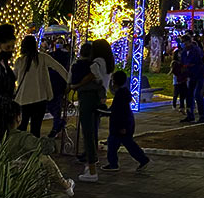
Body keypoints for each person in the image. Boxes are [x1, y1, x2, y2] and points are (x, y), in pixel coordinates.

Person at [0, 99, 75, 198]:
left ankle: (65, 186)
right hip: (19, 178)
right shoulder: (21, 137)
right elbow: (45, 148)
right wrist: (54, 133)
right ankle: (65, 185)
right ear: (18, 117)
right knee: (43, 158)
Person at [13, 35, 69, 137]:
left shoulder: (20, 61)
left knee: (23, 125)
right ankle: (34, 149)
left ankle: (21, 148)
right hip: (40, 98)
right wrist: (69, 81)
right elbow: (59, 68)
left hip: (24, 99)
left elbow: (13, 78)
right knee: (36, 128)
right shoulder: (42, 57)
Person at [99, 70, 150, 172]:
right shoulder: (123, 94)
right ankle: (141, 159)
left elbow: (119, 112)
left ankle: (114, 164)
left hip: (120, 125)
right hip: (124, 124)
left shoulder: (120, 96)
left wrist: (122, 126)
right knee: (124, 143)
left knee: (116, 144)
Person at [70, 42, 102, 182]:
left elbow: (71, 83)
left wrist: (78, 85)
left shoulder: (75, 66)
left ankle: (92, 167)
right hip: (94, 98)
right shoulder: (94, 65)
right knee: (93, 130)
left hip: (84, 98)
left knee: (87, 132)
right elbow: (99, 80)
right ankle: (92, 163)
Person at [46, 37, 70, 138]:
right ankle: (59, 123)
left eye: (60, 42)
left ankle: (56, 127)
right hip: (52, 82)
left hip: (59, 83)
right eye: (57, 42)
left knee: (56, 106)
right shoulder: (51, 54)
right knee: (51, 105)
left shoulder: (65, 55)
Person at [180, 35, 204, 123]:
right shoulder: (184, 52)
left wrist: (192, 66)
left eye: (185, 42)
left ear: (189, 42)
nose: (184, 44)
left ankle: (202, 115)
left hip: (198, 75)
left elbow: (201, 62)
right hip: (189, 76)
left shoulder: (196, 50)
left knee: (198, 95)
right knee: (189, 96)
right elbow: (183, 62)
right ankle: (190, 115)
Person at [91, 39, 115, 108]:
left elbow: (94, 73)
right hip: (103, 91)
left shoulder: (97, 61)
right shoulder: (108, 62)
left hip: (95, 92)